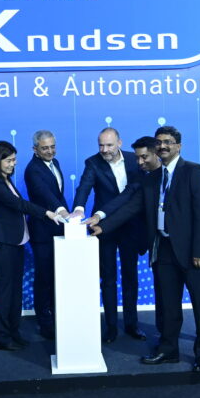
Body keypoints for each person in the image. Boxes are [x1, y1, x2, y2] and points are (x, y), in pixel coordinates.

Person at [90, 125, 200, 372]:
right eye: (159, 142)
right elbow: (131, 207)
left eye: (168, 142)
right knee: (167, 305)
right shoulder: (151, 179)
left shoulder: (194, 171)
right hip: (163, 249)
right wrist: (103, 227)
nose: (163, 146)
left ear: (179, 146)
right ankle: (168, 351)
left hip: (193, 252)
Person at [0, 141, 66, 351]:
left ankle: (14, 332)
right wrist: (47, 213)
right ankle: (2, 338)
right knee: (5, 293)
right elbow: (19, 205)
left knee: (15, 292)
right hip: (4, 244)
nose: (13, 164)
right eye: (9, 160)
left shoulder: (7, 182)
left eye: (14, 160)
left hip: (17, 243)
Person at [72, 127, 146, 343]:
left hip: (131, 225)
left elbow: (134, 194)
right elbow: (83, 188)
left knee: (130, 276)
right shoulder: (93, 163)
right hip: (103, 227)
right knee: (108, 278)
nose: (104, 150)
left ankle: (132, 324)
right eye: (101, 145)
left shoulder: (135, 160)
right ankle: (111, 327)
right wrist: (78, 209)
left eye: (109, 145)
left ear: (119, 143)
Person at [23, 129, 69, 339]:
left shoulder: (55, 163)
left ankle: (58, 316)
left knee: (57, 276)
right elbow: (46, 195)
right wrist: (63, 212)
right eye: (45, 148)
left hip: (59, 229)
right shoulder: (32, 170)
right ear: (35, 149)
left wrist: (68, 216)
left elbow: (58, 195)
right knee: (44, 278)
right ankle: (45, 322)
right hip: (42, 232)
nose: (50, 151)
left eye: (52, 147)